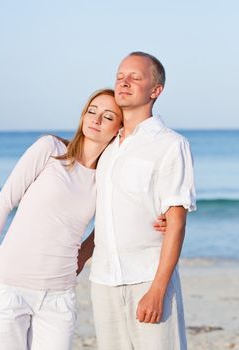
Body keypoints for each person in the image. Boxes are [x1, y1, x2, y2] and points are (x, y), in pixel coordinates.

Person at [0, 88, 124, 350]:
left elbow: (110, 226)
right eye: (92, 111)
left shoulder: (107, 178)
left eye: (107, 117)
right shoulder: (50, 148)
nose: (96, 120)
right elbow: (4, 203)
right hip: (7, 288)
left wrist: (81, 257)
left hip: (58, 296)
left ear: (118, 129)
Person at [78, 52, 196, 349]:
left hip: (147, 276)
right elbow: (107, 216)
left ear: (155, 91)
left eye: (135, 77)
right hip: (103, 280)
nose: (124, 82)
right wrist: (82, 254)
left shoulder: (170, 145)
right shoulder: (107, 148)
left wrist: (158, 289)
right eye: (120, 76)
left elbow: (177, 223)